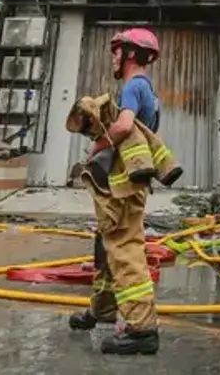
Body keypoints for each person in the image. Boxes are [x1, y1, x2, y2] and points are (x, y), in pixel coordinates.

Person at [66, 28, 172, 356]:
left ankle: (142, 330)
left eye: (117, 51)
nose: (113, 56)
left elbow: (125, 126)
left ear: (129, 54)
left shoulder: (134, 86)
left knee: (124, 249)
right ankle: (104, 309)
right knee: (105, 246)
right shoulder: (146, 90)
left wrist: (95, 148)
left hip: (125, 186)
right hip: (124, 184)